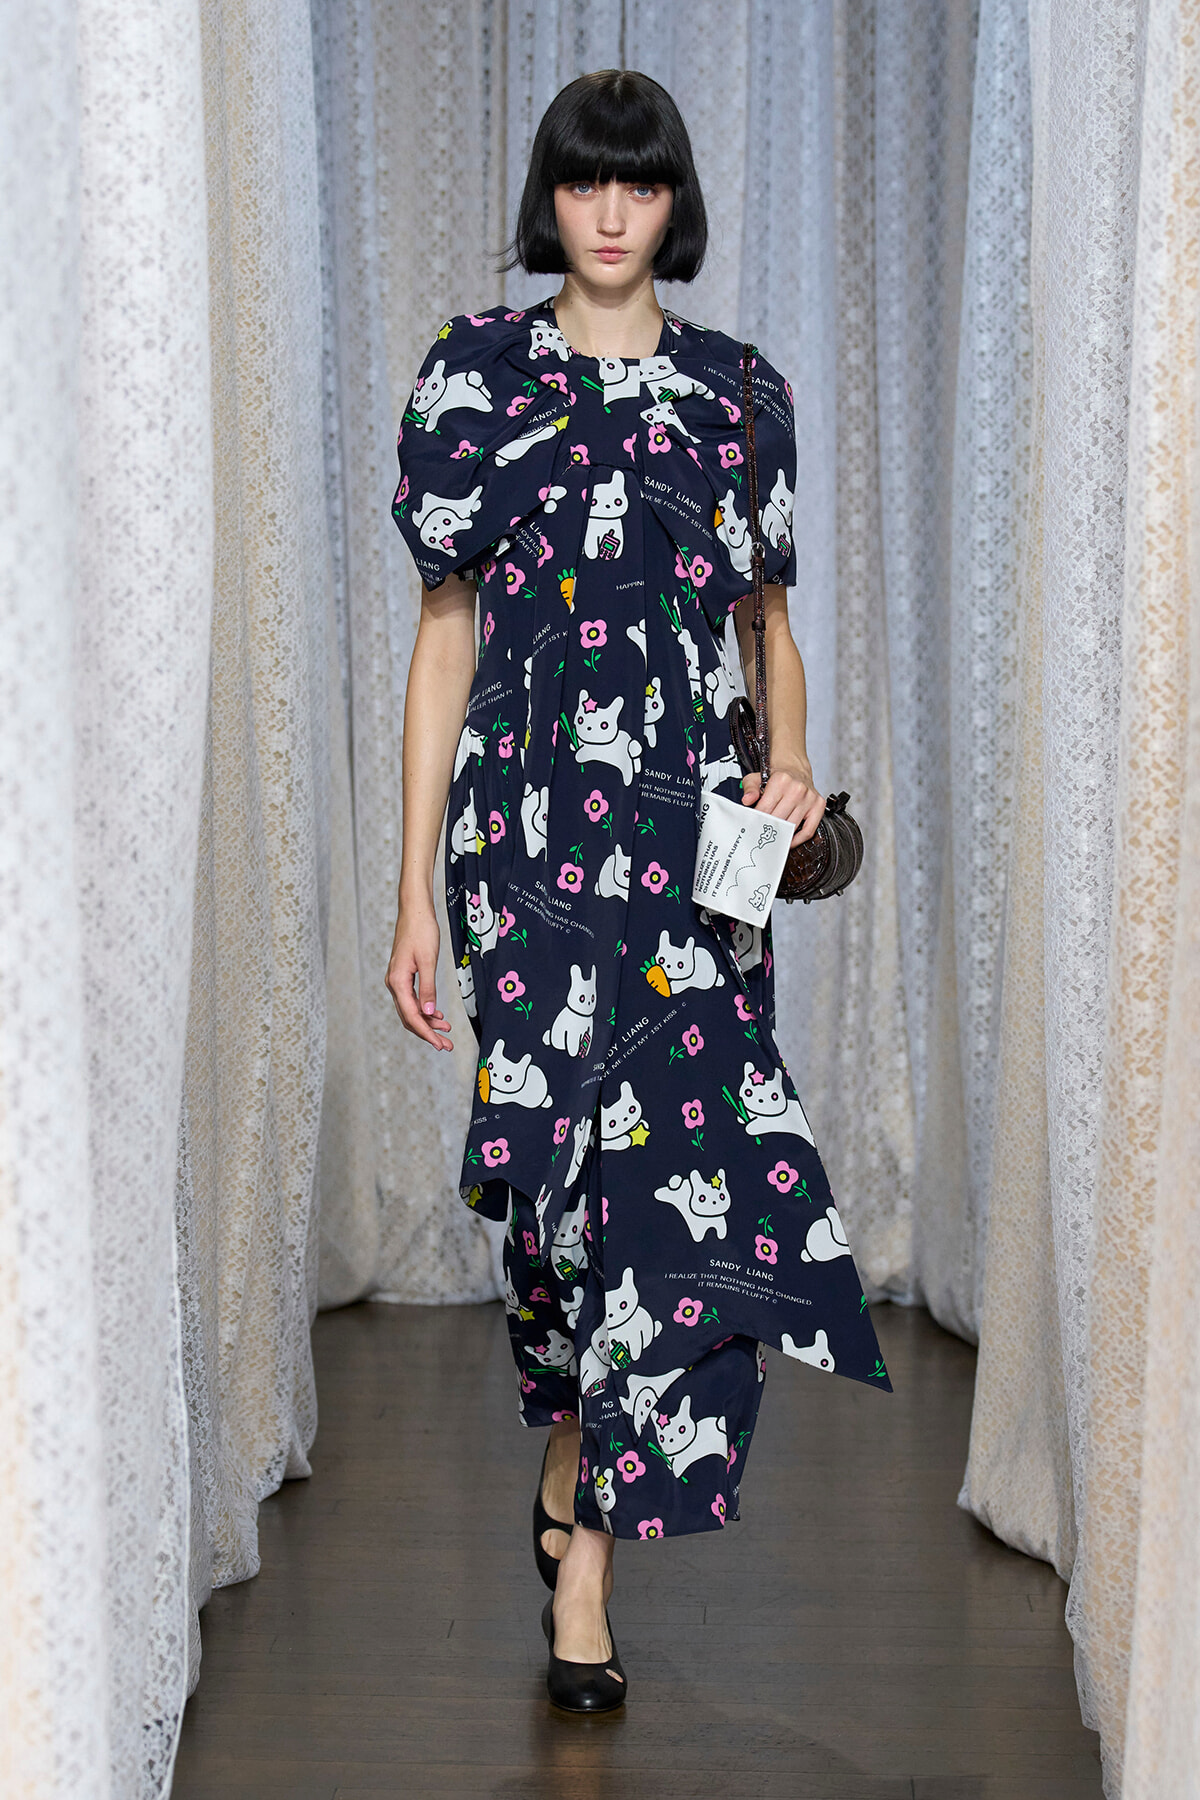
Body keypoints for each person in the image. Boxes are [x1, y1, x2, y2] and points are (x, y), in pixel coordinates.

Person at [386, 67, 890, 1714]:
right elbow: (442, 645)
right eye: (589, 186)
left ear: (675, 203)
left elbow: (767, 626)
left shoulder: (743, 395)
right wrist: (409, 899)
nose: (613, 215)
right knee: (547, 1205)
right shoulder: (470, 379)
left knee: (667, 1200)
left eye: (644, 186)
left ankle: (589, 1567)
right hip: (521, 862)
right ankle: (567, 1430)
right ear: (556, 198)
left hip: (689, 869)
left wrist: (791, 767)